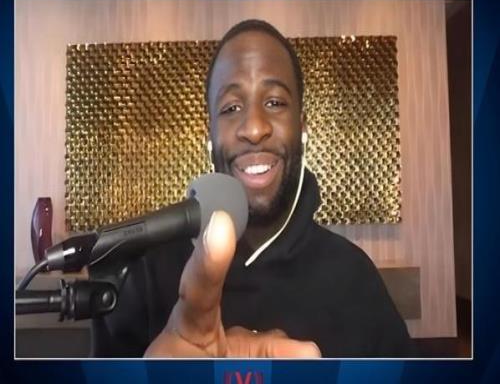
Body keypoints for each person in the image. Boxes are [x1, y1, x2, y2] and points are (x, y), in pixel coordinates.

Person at [92, 19, 413, 358]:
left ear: (302, 129)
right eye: (231, 108)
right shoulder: (146, 275)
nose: (255, 128)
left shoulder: (354, 277)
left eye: (274, 102)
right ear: (210, 138)